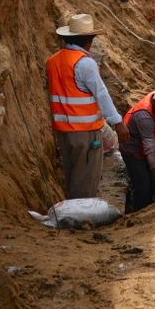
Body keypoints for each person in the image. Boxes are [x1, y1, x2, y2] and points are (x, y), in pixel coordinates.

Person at [46, 13, 126, 199]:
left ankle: (73, 208)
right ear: (89, 41)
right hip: (85, 131)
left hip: (63, 131)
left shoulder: (53, 61)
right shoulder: (85, 63)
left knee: (73, 175)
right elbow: (101, 94)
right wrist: (118, 123)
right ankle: (82, 213)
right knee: (86, 179)